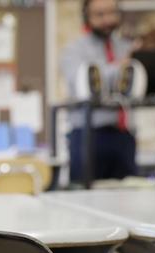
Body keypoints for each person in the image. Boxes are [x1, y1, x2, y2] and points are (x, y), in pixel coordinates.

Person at [61, 0, 138, 182]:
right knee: (84, 198)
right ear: (87, 17)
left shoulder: (124, 47)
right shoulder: (74, 50)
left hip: (123, 135)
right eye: (100, 15)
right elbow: (87, 81)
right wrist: (121, 67)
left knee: (128, 196)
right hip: (89, 135)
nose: (107, 20)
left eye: (111, 13)